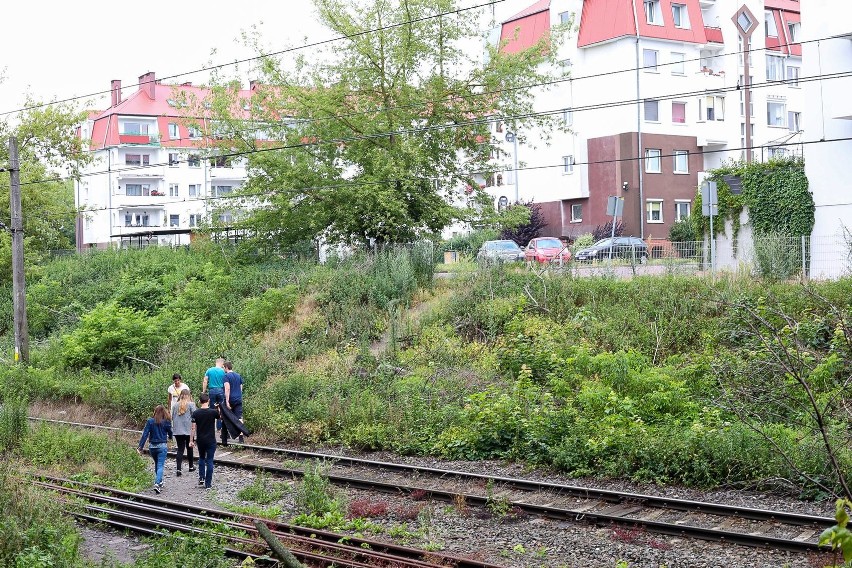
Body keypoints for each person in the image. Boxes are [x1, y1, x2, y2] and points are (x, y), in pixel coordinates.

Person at [137, 405, 173, 494]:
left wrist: (140, 447)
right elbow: (170, 432)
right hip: (162, 446)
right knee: (160, 465)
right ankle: (157, 483)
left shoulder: (150, 421)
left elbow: (145, 434)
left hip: (152, 447)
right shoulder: (166, 422)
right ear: (164, 412)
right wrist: (171, 437)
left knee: (157, 464)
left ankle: (160, 481)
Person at [191, 392, 220, 489]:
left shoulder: (196, 413)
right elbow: (221, 417)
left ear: (199, 401)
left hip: (201, 440)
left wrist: (191, 440)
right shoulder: (213, 412)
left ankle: (201, 477)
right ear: (209, 401)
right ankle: (208, 484)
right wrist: (218, 408)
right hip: (211, 440)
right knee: (210, 460)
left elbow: (193, 428)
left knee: (202, 458)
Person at [170, 390, 196, 477]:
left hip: (178, 430)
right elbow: (195, 417)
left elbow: (172, 417)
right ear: (188, 396)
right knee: (189, 448)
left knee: (180, 449)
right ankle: (191, 466)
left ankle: (178, 469)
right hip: (188, 430)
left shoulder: (175, 405)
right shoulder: (191, 404)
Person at [223, 361, 244, 444]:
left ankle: (226, 435)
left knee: (226, 416)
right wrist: (238, 395)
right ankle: (241, 437)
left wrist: (227, 401)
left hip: (231, 398)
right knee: (239, 417)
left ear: (226, 367)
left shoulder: (226, 376)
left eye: (224, 367)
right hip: (238, 398)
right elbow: (241, 387)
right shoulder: (238, 375)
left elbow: (227, 389)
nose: (223, 369)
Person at [203, 358, 226, 431]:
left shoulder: (209, 370)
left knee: (212, 408)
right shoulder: (223, 371)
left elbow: (205, 380)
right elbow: (226, 382)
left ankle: (211, 426)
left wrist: (203, 391)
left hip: (212, 390)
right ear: (222, 364)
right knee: (221, 408)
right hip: (221, 390)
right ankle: (219, 427)